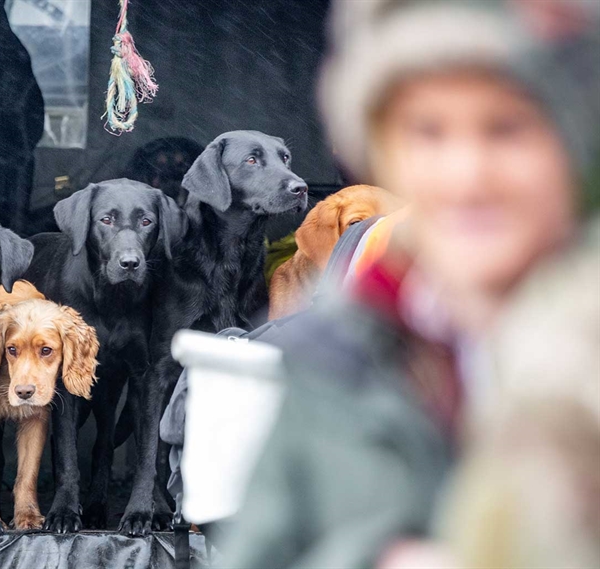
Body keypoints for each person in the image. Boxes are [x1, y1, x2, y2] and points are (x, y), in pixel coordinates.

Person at [210, 1, 599, 567]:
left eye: (507, 129)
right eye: (427, 132)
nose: (467, 175)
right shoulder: (326, 361)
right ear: (384, 155)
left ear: (572, 148)